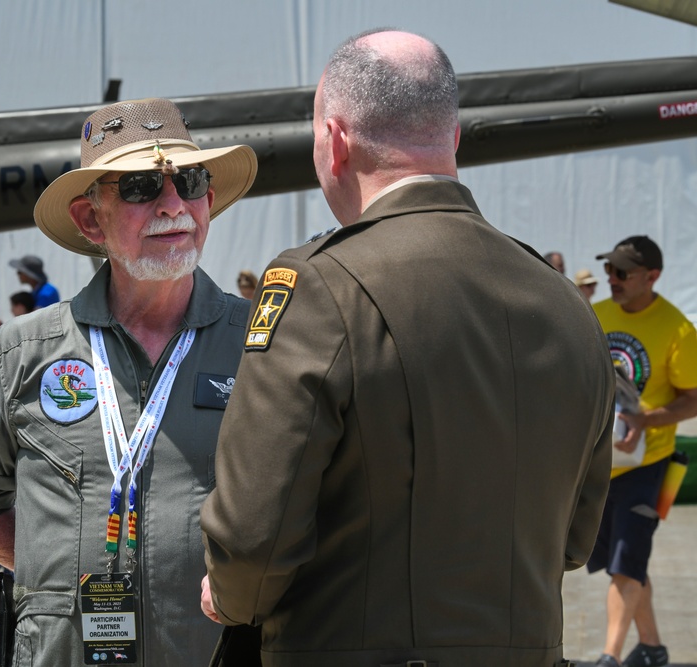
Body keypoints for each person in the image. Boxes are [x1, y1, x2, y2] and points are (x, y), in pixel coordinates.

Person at [199, 29, 614, 667]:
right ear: (451, 137)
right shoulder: (566, 304)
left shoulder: (321, 285)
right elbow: (574, 540)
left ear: (335, 141)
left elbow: (255, 536)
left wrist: (230, 597)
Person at [0, 97, 258, 666]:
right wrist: (52, 575)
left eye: (190, 181)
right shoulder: (21, 352)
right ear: (90, 219)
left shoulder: (264, 345)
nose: (173, 206)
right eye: (139, 188)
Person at [587, 236, 697, 667]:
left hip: (654, 468)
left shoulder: (679, 330)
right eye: (608, 269)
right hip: (603, 465)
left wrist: (645, 421)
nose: (610, 279)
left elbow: (693, 398)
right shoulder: (595, 315)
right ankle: (652, 648)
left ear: (652, 277)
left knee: (625, 563)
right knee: (626, 558)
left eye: (621, 273)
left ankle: (608, 657)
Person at [0, 255, 60, 331]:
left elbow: (33, 321)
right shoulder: (36, 292)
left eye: (20, 271)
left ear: (29, 274)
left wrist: (4, 328)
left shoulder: (46, 293)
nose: (17, 274)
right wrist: (3, 327)